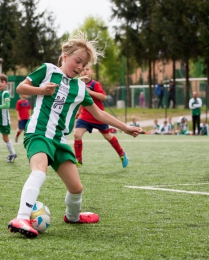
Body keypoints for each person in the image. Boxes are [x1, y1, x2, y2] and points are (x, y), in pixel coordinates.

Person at [7, 32, 142, 238]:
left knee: (77, 188)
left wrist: (125, 127)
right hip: (39, 134)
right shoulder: (48, 70)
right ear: (65, 55)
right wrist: (41, 90)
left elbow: (99, 113)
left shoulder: (80, 87)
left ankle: (73, 216)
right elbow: (21, 87)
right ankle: (22, 217)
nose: (79, 67)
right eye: (77, 61)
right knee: (39, 170)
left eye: (84, 64)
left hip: (60, 141)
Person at [73, 63, 128, 168]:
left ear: (92, 72)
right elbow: (82, 100)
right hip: (85, 117)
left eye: (87, 69)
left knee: (108, 136)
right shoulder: (79, 84)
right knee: (77, 134)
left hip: (98, 117)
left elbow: (103, 97)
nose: (85, 71)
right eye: (83, 70)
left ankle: (121, 153)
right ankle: (78, 159)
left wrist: (90, 92)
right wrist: (79, 111)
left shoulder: (95, 84)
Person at [0, 74, 17, 163]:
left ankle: (12, 153)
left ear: (6, 84)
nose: (0, 83)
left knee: (5, 138)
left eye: (2, 82)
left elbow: (7, 105)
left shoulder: (5, 93)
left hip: (4, 120)